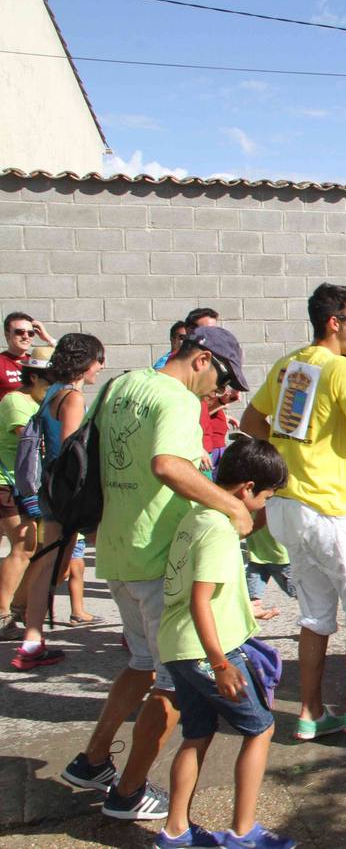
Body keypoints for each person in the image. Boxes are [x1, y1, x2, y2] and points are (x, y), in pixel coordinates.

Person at [60, 327, 255, 822]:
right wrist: (232, 506)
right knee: (174, 685)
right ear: (201, 359)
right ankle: (127, 793)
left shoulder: (122, 385)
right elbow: (167, 464)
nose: (223, 389)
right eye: (224, 375)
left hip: (119, 551)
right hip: (158, 561)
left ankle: (94, 760)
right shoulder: (177, 400)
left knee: (142, 663)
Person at [241, 284, 346, 739]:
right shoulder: (341, 370)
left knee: (314, 615)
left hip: (288, 507)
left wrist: (291, 444)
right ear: (334, 322)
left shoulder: (288, 364)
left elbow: (250, 424)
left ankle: (312, 713)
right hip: (328, 509)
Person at [156, 437, 295, 849]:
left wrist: (246, 611)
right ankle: (243, 833)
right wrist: (220, 663)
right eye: (266, 496)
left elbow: (202, 594)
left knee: (197, 733)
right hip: (206, 652)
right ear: (246, 489)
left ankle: (175, 832)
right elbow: (201, 600)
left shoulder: (198, 514)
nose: (265, 506)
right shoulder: (219, 529)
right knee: (261, 728)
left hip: (178, 647)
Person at [11, 333, 107, 671]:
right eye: (99, 359)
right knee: (109, 556)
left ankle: (32, 640)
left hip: (49, 489)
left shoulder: (51, 390)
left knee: (48, 564)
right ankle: (137, 631)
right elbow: (72, 450)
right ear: (86, 362)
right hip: (68, 493)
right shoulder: (73, 397)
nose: (101, 367)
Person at [0, 349, 51, 639]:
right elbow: (29, 440)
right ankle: (2, 613)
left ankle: (19, 607)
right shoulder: (16, 401)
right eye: (49, 380)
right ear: (33, 377)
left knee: (38, 549)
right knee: (24, 545)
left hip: (28, 485)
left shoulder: (37, 401)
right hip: (7, 482)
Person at [0, 311, 55, 400]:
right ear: (7, 335)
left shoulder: (37, 361)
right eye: (19, 332)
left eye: (30, 333)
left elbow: (72, 364)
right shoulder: (1, 362)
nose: (26, 336)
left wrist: (48, 338)